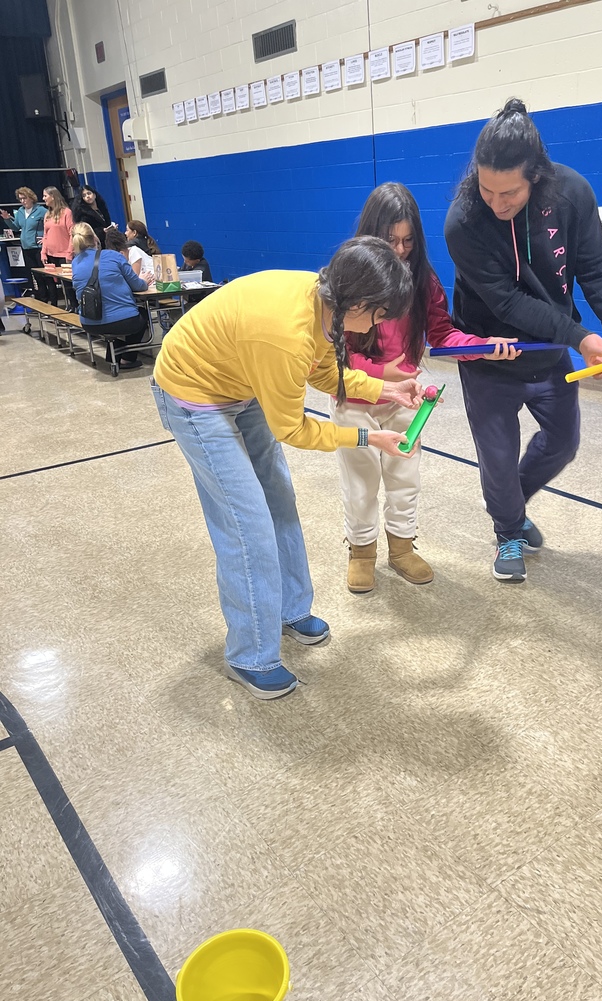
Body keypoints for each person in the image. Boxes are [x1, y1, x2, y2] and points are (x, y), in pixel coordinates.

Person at [151, 236, 421, 700]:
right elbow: (294, 430)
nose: (378, 325)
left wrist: (381, 390)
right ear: (355, 301)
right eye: (378, 314)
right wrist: (366, 436)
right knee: (246, 523)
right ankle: (250, 655)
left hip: (243, 383)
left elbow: (317, 370)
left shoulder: (322, 302)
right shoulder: (284, 331)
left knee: (279, 501)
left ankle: (291, 610)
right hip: (194, 395)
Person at [445, 98, 602, 585]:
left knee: (563, 443)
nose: (496, 203)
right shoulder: (463, 222)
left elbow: (594, 270)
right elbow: (507, 303)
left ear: (537, 176)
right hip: (489, 355)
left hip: (549, 351)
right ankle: (507, 530)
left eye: (510, 193)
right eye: (486, 189)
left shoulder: (572, 194)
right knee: (498, 458)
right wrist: (582, 336)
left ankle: (511, 505)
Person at [331, 182, 517, 594]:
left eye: (408, 241)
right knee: (360, 483)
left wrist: (484, 348)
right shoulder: (349, 278)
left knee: (404, 478)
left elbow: (443, 334)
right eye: (390, 240)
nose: (399, 251)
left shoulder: (423, 279)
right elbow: (332, 355)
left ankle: (401, 547)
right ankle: (362, 551)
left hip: (404, 401)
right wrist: (376, 379)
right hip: (355, 400)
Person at [71, 223, 151, 371]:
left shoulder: (75, 263)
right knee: (141, 314)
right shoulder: (114, 256)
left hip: (89, 323)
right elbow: (138, 285)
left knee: (109, 316)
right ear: (95, 238)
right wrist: (145, 281)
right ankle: (128, 359)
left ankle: (113, 357)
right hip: (124, 321)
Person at [0, 187, 47, 298]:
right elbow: (16, 227)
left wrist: (45, 238)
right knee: (33, 275)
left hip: (38, 247)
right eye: (20, 199)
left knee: (44, 275)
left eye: (24, 198)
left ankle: (49, 298)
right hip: (26, 247)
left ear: (31, 198)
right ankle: (40, 297)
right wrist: (7, 219)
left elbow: (49, 226)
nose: (22, 201)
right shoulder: (20, 211)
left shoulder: (41, 210)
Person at [40, 186, 74, 308]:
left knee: (68, 284)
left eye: (45, 196)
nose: (43, 198)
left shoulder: (67, 212)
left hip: (64, 254)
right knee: (54, 282)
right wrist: (43, 252)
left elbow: (72, 233)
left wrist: (69, 253)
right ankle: (64, 307)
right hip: (51, 254)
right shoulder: (47, 214)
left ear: (53, 196)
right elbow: (45, 235)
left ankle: (74, 306)